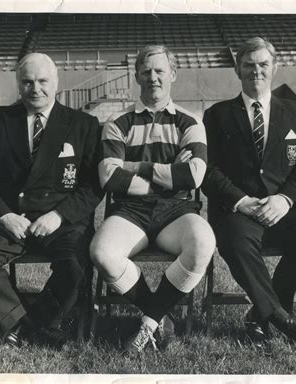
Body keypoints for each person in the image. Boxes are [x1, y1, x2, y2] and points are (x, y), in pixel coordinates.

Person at [0, 53, 102, 349]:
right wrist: (4, 216)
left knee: (75, 264)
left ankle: (30, 325)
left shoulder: (84, 124)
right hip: (12, 219)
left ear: (56, 82)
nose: (36, 88)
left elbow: (93, 185)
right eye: (28, 82)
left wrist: (58, 216)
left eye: (43, 81)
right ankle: (25, 324)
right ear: (18, 85)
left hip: (60, 222)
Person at [202, 37, 296, 347]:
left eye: (263, 65)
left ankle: (260, 315)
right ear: (237, 69)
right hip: (238, 210)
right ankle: (284, 320)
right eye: (248, 65)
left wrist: (284, 200)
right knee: (235, 242)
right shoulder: (217, 115)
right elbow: (208, 169)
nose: (255, 71)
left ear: (274, 68)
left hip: (286, 207)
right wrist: (241, 201)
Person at [90, 45, 215, 354]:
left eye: (160, 71)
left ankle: (149, 320)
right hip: (130, 211)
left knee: (202, 243)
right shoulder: (118, 122)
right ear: (136, 76)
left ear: (172, 74)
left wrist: (135, 166)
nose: (153, 78)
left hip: (177, 211)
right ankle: (161, 318)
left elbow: (194, 176)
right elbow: (109, 177)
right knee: (102, 251)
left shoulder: (190, 121)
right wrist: (170, 173)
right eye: (146, 71)